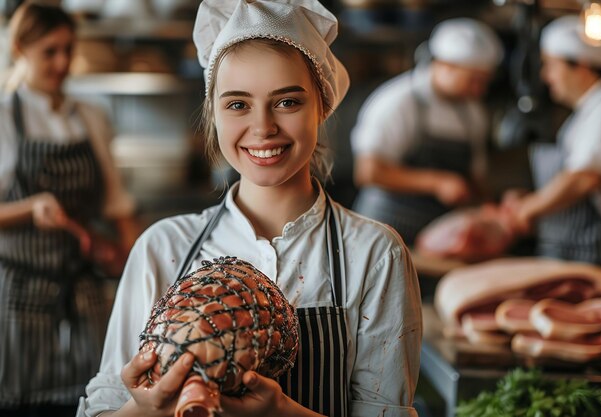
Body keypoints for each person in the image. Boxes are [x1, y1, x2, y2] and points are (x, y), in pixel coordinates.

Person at [77, 1, 422, 417]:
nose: (263, 128)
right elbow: (101, 410)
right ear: (215, 115)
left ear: (322, 105)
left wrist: (282, 412)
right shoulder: (162, 247)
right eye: (238, 104)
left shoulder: (374, 254)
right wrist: (145, 410)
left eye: (287, 102)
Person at [0, 3, 140, 416]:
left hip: (85, 292)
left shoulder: (91, 116)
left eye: (68, 49)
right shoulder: (4, 118)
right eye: (49, 51)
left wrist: (133, 261)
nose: (62, 62)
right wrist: (30, 208)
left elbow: (116, 203)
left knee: (95, 401)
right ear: (22, 49)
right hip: (22, 294)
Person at [350, 18, 504, 245]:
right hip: (384, 227)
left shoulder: (473, 112)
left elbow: (476, 175)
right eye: (472, 80)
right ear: (444, 65)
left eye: (484, 82)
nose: (478, 89)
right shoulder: (399, 101)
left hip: (439, 233)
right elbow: (367, 172)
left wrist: (487, 205)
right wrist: (437, 183)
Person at [507, 15, 601, 280]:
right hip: (571, 251)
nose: (545, 76)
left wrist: (529, 209)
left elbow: (585, 178)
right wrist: (529, 199)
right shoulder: (587, 111)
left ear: (580, 66)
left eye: (550, 65)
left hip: (595, 249)